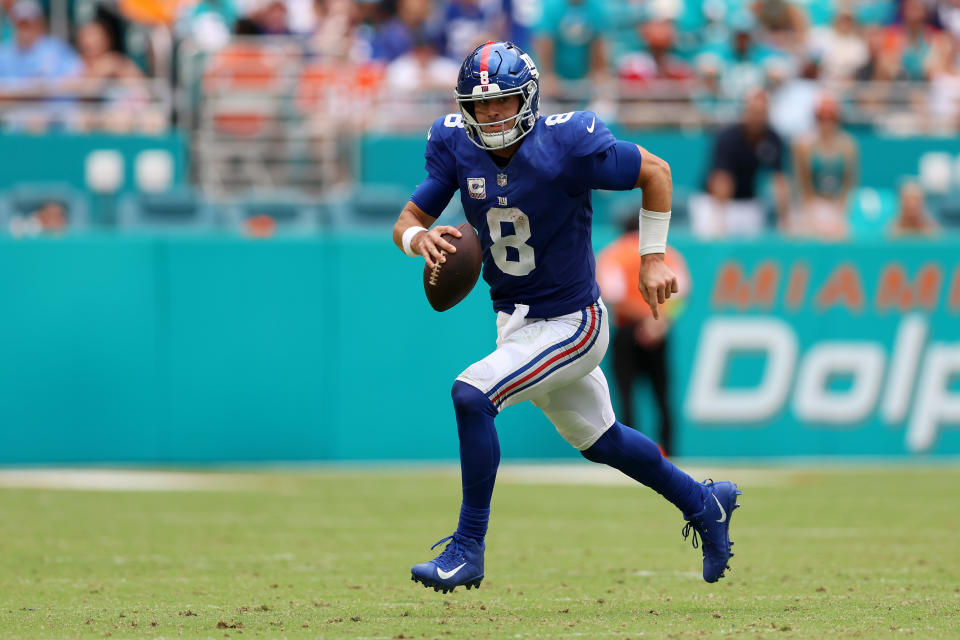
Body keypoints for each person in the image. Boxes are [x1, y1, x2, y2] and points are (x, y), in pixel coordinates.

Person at [391, 41, 740, 593]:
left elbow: (657, 170)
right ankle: (705, 504)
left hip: (574, 322)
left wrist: (652, 259)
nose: (491, 116)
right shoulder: (455, 145)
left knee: (471, 393)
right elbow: (408, 219)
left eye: (503, 104)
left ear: (527, 100)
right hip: (516, 322)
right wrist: (420, 240)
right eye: (480, 107)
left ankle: (468, 548)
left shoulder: (567, 141)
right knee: (603, 441)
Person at [596, 216, 691, 456]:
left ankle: (631, 455)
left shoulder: (614, 254)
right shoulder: (668, 254)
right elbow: (681, 296)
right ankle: (670, 453)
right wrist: (657, 320)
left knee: (626, 395)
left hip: (628, 331)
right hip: (658, 330)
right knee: (662, 395)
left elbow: (613, 297)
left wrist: (644, 320)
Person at [690, 88, 790, 237]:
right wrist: (721, 218)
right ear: (746, 112)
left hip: (748, 201)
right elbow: (721, 178)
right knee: (715, 242)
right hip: (713, 202)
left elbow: (779, 181)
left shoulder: (773, 139)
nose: (758, 118)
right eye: (754, 112)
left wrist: (784, 218)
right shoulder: (728, 137)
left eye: (762, 113)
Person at [790, 94, 857, 240]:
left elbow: (849, 182)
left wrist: (840, 210)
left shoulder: (847, 146)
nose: (826, 124)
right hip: (813, 203)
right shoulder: (804, 146)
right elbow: (803, 183)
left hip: (836, 203)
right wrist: (810, 211)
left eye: (830, 119)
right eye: (822, 119)